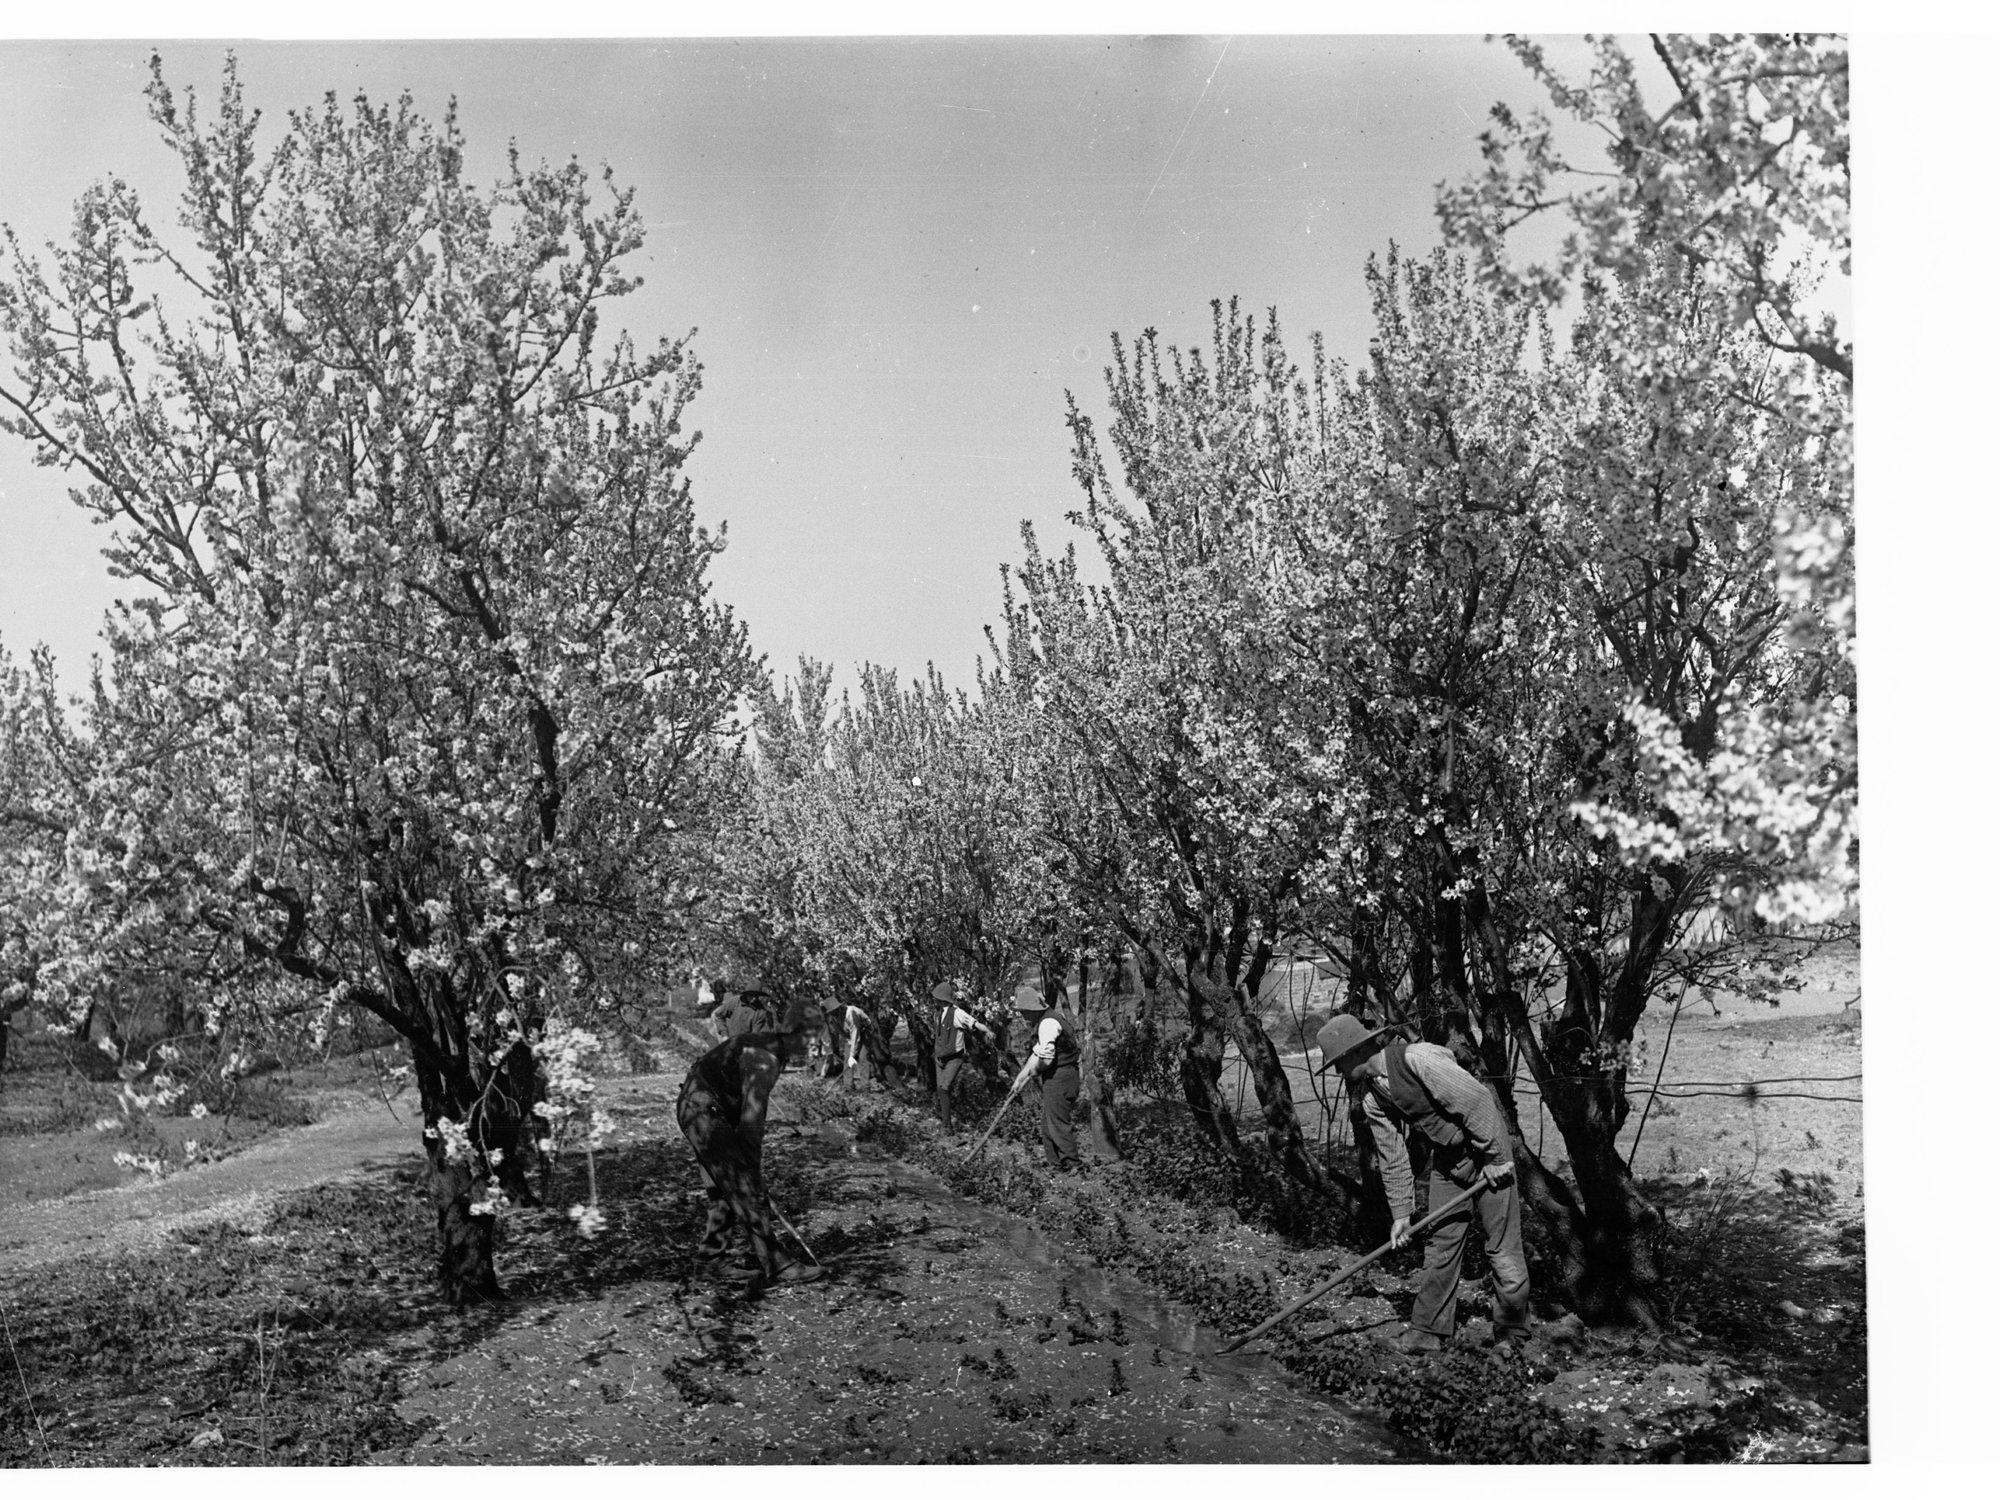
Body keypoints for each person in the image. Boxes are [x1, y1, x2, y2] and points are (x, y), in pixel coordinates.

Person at [1314, 1014, 1530, 1352]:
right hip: (1449, 1162)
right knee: (1440, 1242)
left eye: (1338, 1063)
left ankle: (1512, 1334)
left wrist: (1495, 1159)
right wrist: (1401, 1214)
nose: (1339, 1071)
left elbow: (1478, 1101)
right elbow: (1393, 1157)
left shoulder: (1419, 1059)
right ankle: (1428, 1331)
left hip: (1487, 1152)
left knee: (1502, 1247)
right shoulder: (1373, 1100)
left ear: (1355, 1052)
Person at [677, 998, 828, 1290]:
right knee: (744, 1187)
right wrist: (752, 1174)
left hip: (695, 1108)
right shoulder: (764, 1057)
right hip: (703, 1112)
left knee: (724, 1190)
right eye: (812, 1036)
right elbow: (751, 1124)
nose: (813, 1043)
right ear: (803, 1033)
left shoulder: (767, 1045)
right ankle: (779, 1265)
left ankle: (710, 1261)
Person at [1007, 971, 1083, 1170]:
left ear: (1032, 1009)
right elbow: (1037, 1054)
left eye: (1023, 1011)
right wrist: (1019, 1080)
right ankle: (1055, 1164)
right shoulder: (1043, 1022)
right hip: (1056, 1076)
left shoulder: (1048, 1023)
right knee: (1047, 1123)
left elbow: (1046, 1059)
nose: (1022, 1015)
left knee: (1057, 1122)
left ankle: (1073, 1165)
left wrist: (1035, 1071)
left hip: (1061, 1076)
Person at [929, 977, 997, 1131]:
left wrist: (987, 1030)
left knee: (945, 1088)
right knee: (941, 1089)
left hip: (954, 1057)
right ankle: (946, 1122)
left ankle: (947, 1126)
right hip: (939, 1057)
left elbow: (973, 1023)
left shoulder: (957, 1013)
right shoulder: (937, 1014)